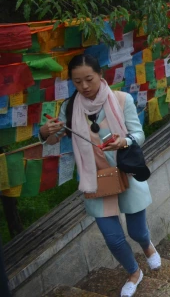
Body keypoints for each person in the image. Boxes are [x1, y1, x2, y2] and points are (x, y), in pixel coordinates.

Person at [39, 55, 158, 297]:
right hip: (95, 180)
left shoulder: (121, 100)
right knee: (113, 239)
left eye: (88, 79)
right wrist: (45, 132)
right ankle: (134, 273)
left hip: (126, 173)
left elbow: (139, 134)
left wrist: (123, 141)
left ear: (100, 75)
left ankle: (146, 246)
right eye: (77, 81)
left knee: (137, 232)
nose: (84, 86)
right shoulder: (69, 108)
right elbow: (54, 139)